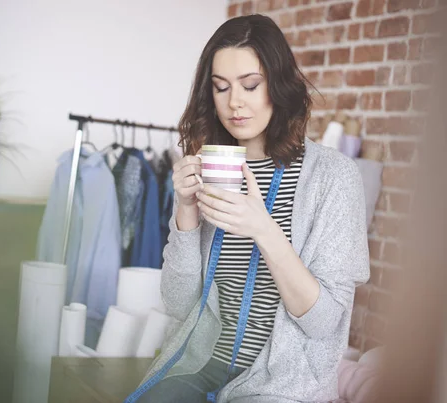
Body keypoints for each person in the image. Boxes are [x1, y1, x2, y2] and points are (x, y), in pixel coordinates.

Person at [129, 14, 370, 403]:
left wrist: (265, 230)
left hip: (281, 384)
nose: (234, 102)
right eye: (220, 88)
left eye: (250, 85)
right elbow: (178, 303)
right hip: (200, 363)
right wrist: (186, 217)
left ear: (279, 85)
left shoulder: (334, 177)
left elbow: (323, 323)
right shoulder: (210, 168)